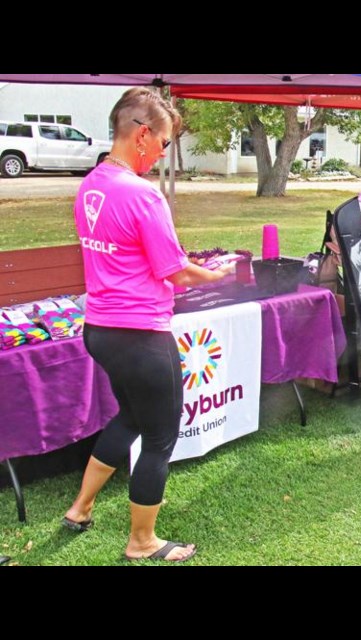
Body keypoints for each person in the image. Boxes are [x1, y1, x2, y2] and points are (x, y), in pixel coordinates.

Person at [62, 88, 231, 561]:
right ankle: (142, 541)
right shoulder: (142, 195)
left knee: (131, 417)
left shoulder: (92, 184)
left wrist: (180, 260)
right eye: (162, 143)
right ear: (141, 135)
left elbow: (135, 256)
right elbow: (175, 272)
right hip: (140, 333)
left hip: (100, 330)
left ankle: (80, 508)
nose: (162, 153)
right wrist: (218, 273)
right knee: (159, 436)